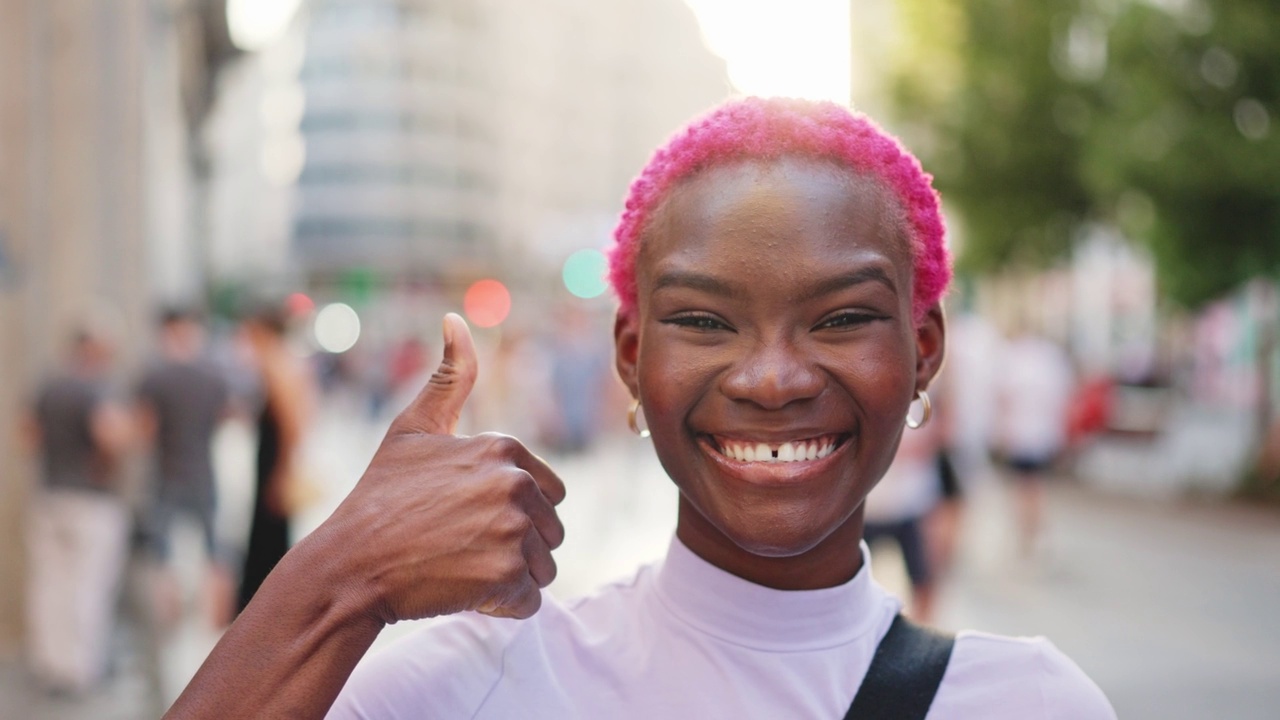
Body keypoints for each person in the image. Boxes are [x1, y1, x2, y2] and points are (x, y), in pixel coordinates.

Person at [168, 98, 1115, 718]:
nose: (771, 378)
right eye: (705, 320)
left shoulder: (1027, 701)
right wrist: (345, 570)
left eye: (841, 319)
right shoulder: (476, 683)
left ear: (924, 353)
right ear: (631, 356)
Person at [23, 328, 133, 694]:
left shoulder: (48, 387)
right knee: (88, 583)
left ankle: (49, 662)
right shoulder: (97, 390)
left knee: (49, 582)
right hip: (90, 498)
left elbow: (29, 436)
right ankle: (81, 668)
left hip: (50, 493)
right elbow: (111, 437)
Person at [136, 308, 235, 627]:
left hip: (166, 474)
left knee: (162, 553)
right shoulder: (212, 376)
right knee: (213, 550)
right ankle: (216, 622)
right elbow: (227, 416)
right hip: (202, 472)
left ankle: (168, 620)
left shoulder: (154, 377)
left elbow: (145, 430)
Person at [235, 305, 315, 613]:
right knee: (269, 534)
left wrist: (283, 469)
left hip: (273, 460)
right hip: (273, 458)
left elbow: (291, 421)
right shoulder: (285, 361)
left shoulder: (275, 362)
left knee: (269, 535)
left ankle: (267, 606)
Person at [994, 326, 1076, 559]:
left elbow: (1003, 397)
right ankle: (1030, 532)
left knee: (1025, 487)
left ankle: (1027, 532)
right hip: (1039, 434)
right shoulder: (1050, 359)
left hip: (1023, 434)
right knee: (1034, 486)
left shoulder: (1015, 358)